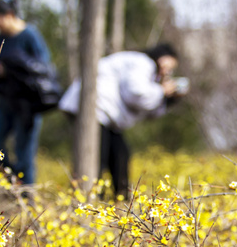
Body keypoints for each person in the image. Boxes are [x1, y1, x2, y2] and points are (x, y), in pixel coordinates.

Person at [59, 43, 187, 200]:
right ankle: (89, 200)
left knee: (120, 154)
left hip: (103, 113)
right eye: (169, 65)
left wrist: (168, 100)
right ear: (161, 56)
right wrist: (162, 91)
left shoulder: (146, 71)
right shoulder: (143, 62)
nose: (168, 71)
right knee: (99, 158)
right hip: (94, 109)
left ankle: (118, 199)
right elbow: (135, 95)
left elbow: (146, 109)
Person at [0, 0, 57, 188]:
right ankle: (13, 180)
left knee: (24, 153)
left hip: (27, 104)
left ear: (9, 15)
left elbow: (44, 67)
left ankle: (26, 195)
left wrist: (13, 69)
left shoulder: (30, 36)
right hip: (6, 102)